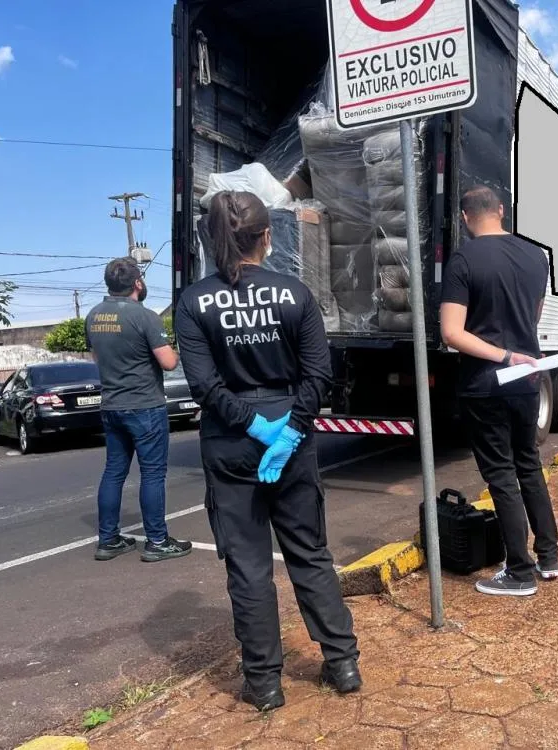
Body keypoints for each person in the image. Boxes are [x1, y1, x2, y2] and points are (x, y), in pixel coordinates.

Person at [174, 191, 360, 712]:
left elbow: (204, 387)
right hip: (289, 434)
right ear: (267, 237)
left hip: (231, 440)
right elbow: (319, 375)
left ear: (212, 240)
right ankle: (343, 663)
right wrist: (286, 432)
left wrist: (254, 426)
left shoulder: (193, 303)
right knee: (309, 552)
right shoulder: (294, 293)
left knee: (249, 565)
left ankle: (264, 683)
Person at [439, 185, 558, 597]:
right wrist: (517, 354)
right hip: (528, 379)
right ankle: (548, 557)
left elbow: (452, 332)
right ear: (501, 211)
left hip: (485, 384)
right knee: (529, 465)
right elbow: (532, 317)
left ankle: (520, 572)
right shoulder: (536, 257)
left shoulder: (463, 259)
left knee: (501, 475)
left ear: (465, 217)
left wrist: (503, 356)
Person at [85, 257, 193, 563]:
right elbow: (168, 363)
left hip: (112, 405)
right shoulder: (145, 317)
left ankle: (108, 540)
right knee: (153, 474)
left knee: (114, 472)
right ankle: (157, 541)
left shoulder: (93, 316)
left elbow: (97, 358)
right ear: (137, 283)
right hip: (145, 405)